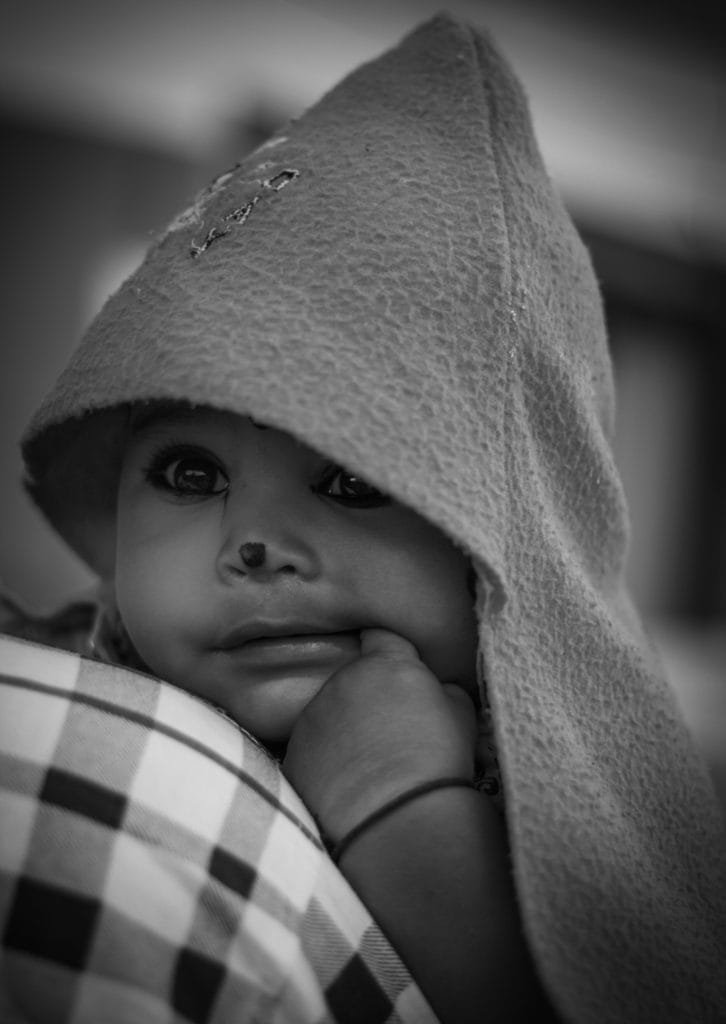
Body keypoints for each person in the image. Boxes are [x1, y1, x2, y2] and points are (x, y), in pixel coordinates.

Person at [4, 12, 726, 1023]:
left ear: (505, 544)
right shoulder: (57, 679)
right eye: (189, 471)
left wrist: (402, 803)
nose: (252, 543)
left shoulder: (562, 800)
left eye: (349, 480)